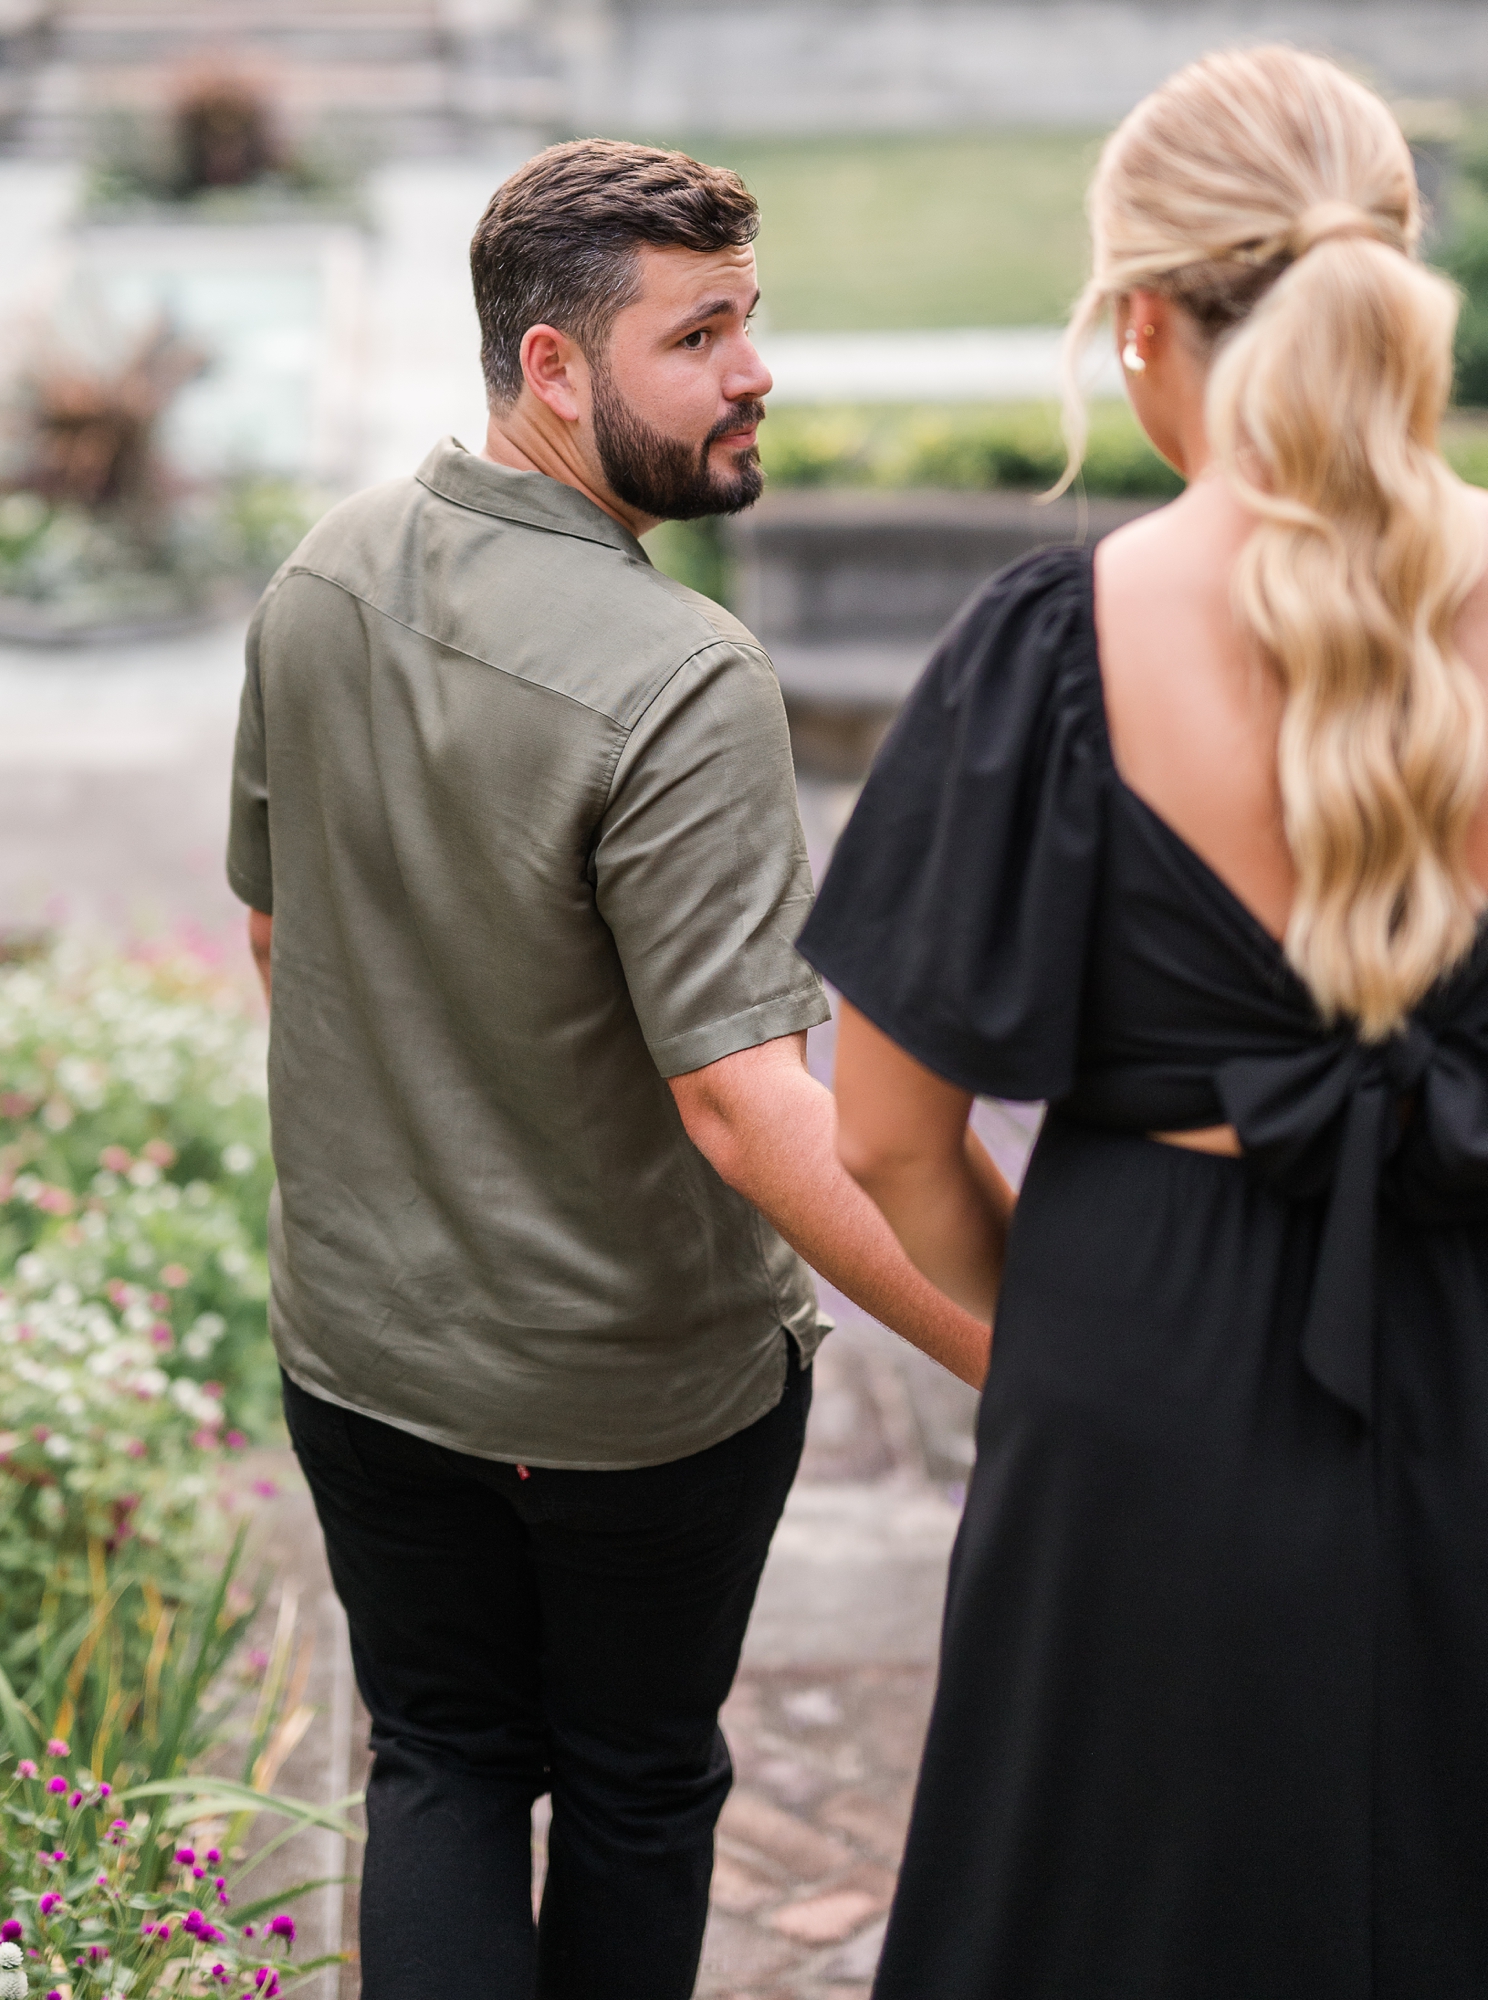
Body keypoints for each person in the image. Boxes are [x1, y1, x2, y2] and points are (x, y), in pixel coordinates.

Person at [226, 138, 987, 2000]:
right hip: (641, 1414)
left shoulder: (323, 578)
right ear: (553, 371)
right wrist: (1030, 1353)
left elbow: (275, 940)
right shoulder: (686, 678)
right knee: (639, 1791)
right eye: (700, 333)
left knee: (444, 1766)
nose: (755, 373)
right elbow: (748, 1106)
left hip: (366, 1362)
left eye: (752, 321)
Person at [799, 46, 1488, 1999]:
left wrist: (1066, 1341)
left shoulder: (1053, 648)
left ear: (1146, 323)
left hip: (1137, 1394)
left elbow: (887, 1139)